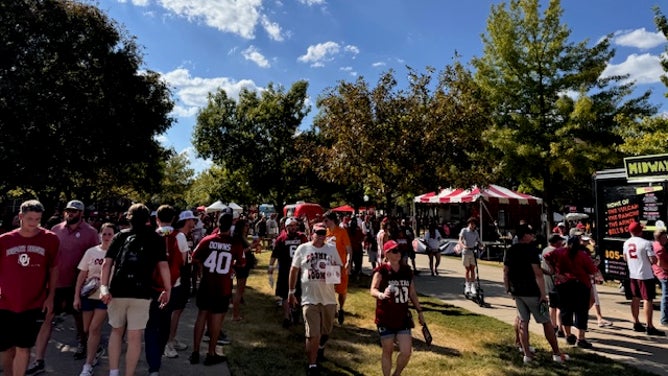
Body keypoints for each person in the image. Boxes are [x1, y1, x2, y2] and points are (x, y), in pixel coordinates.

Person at [28, 200, 100, 375]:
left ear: (81, 213)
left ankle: (83, 343)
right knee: (47, 318)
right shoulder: (55, 230)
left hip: (77, 284)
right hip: (55, 283)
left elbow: (96, 256)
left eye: (74, 211)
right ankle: (39, 360)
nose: (70, 214)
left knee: (80, 319)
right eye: (68, 211)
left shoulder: (90, 233)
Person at [100, 203, 171, 376]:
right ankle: (129, 374)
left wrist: (104, 287)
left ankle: (114, 372)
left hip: (118, 290)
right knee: (135, 336)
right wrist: (168, 289)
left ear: (128, 218)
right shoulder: (156, 238)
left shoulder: (119, 236)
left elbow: (107, 264)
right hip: (142, 292)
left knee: (116, 332)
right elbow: (163, 266)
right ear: (148, 219)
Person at [0, 200, 60, 376]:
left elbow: (53, 268)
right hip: (5, 302)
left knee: (23, 348)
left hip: (33, 303)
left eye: (37, 219)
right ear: (20, 217)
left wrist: (50, 297)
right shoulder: (5, 240)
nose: (33, 224)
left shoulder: (50, 239)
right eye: (30, 219)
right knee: (6, 348)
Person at [503, 224, 568, 363]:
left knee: (523, 322)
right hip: (533, 292)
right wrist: (543, 295)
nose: (533, 236)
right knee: (546, 323)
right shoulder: (531, 250)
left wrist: (507, 288)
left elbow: (506, 271)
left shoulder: (511, 250)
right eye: (530, 234)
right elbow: (537, 273)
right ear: (525, 235)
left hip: (517, 291)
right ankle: (557, 354)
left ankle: (526, 354)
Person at [189, 209, 245, 366]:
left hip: (207, 283)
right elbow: (241, 262)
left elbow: (194, 257)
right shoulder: (235, 243)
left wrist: (202, 266)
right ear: (231, 224)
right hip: (222, 286)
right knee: (216, 320)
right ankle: (211, 353)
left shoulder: (207, 240)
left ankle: (195, 351)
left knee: (202, 315)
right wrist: (231, 265)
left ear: (217, 223)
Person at [288, 222, 343, 376]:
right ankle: (312, 365)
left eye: (323, 233)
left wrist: (332, 268)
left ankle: (320, 347)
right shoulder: (303, 248)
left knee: (326, 331)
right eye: (318, 233)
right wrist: (291, 292)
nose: (320, 236)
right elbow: (294, 270)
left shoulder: (331, 249)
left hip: (328, 298)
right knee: (313, 334)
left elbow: (339, 269)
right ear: (311, 233)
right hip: (309, 298)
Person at [370, 240, 425, 376]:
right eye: (394, 251)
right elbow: (373, 289)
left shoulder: (406, 270)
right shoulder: (382, 270)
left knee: (406, 352)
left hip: (402, 317)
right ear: (387, 254)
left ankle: (397, 373)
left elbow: (412, 292)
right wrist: (381, 295)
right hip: (385, 316)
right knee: (387, 350)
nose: (398, 253)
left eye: (399, 250)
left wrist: (419, 311)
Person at [74, 222, 116, 376]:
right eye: (104, 234)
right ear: (99, 235)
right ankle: (96, 349)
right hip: (88, 295)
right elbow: (81, 275)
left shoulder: (116, 254)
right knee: (87, 330)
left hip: (104, 297)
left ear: (114, 236)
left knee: (94, 328)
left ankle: (88, 364)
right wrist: (76, 296)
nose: (106, 237)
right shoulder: (91, 252)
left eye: (109, 234)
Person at [544, 235, 600, 349]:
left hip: (563, 284)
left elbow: (546, 257)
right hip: (581, 284)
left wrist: (555, 272)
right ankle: (581, 338)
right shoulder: (582, 255)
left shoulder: (559, 252)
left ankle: (568, 334)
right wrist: (595, 265)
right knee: (581, 311)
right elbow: (592, 270)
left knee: (566, 310)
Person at [144, 205, 181, 376]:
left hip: (151, 287)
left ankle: (154, 364)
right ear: (173, 219)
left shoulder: (149, 236)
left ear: (156, 219)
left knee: (151, 325)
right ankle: (157, 356)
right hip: (171, 287)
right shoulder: (178, 237)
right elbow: (183, 262)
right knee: (165, 324)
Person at [163, 210, 198, 358]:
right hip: (178, 278)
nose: (194, 222)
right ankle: (168, 342)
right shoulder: (180, 236)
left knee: (178, 311)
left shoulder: (184, 236)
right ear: (186, 220)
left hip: (181, 278)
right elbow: (183, 261)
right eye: (192, 220)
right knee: (174, 312)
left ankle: (172, 338)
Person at [623, 221, 665, 336]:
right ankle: (649, 326)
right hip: (645, 275)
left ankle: (636, 322)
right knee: (648, 299)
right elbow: (653, 260)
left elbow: (625, 258)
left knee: (635, 298)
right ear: (640, 231)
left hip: (633, 274)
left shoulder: (626, 243)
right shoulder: (646, 243)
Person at [269, 217, 308, 328]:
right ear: (286, 227)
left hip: (299, 270)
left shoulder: (302, 237)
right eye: (290, 226)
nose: (292, 227)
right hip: (285, 270)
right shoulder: (281, 239)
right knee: (285, 294)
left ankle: (296, 312)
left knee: (299, 293)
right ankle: (287, 316)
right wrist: (271, 267)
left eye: (294, 225)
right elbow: (274, 254)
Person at [323, 211, 352, 325]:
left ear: (332, 220)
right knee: (330, 289)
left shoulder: (341, 232)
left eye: (326, 220)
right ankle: (333, 309)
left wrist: (348, 261)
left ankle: (341, 308)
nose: (324, 223)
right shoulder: (325, 233)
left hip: (340, 266)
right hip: (330, 266)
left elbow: (349, 249)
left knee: (341, 290)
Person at [232, 218, 255, 321]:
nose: (247, 227)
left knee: (241, 290)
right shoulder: (237, 237)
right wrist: (251, 247)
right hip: (241, 265)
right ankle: (235, 315)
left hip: (245, 264)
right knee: (239, 291)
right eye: (246, 225)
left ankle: (237, 312)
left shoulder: (242, 236)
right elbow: (240, 252)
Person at [458, 217, 482, 294]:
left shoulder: (475, 232)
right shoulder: (464, 230)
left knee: (473, 269)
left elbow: (478, 241)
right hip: (466, 251)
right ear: (469, 223)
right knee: (467, 270)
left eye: (474, 224)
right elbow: (460, 240)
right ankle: (467, 285)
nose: (472, 225)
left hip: (472, 252)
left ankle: (472, 286)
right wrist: (463, 245)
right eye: (471, 223)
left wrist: (482, 245)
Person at [652, 228, 668, 327]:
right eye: (664, 237)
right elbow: (662, 264)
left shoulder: (654, 244)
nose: (666, 238)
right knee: (666, 297)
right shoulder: (660, 249)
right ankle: (664, 319)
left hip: (657, 272)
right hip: (664, 274)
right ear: (659, 238)